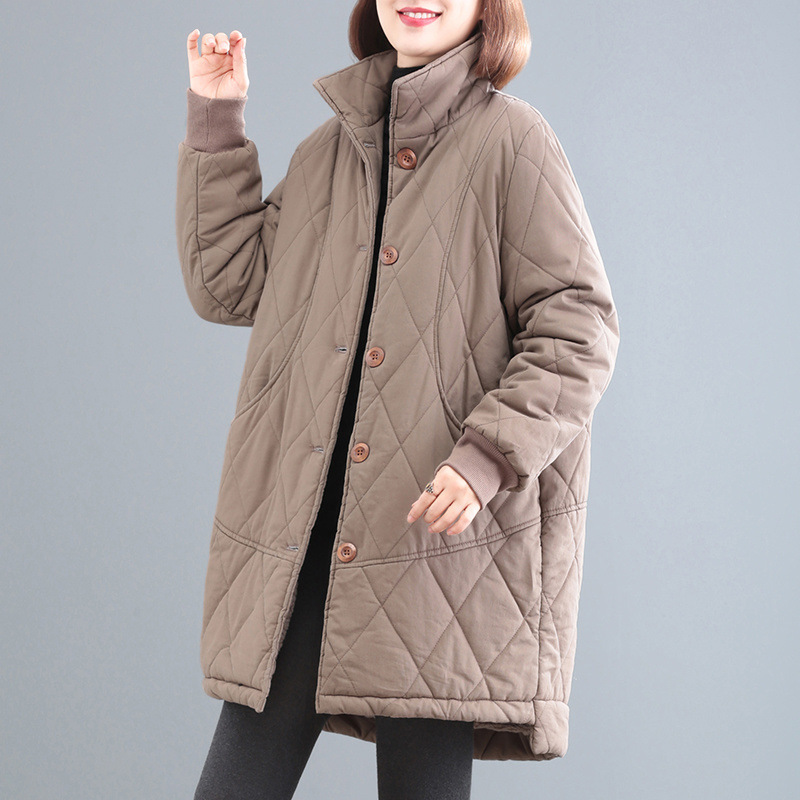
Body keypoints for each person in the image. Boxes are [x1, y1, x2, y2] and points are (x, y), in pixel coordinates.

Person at [178, 2, 619, 798]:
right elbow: (231, 284)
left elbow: (578, 327)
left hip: (438, 549)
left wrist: (486, 459)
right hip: (305, 544)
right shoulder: (329, 151)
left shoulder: (512, 141)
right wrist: (217, 121)